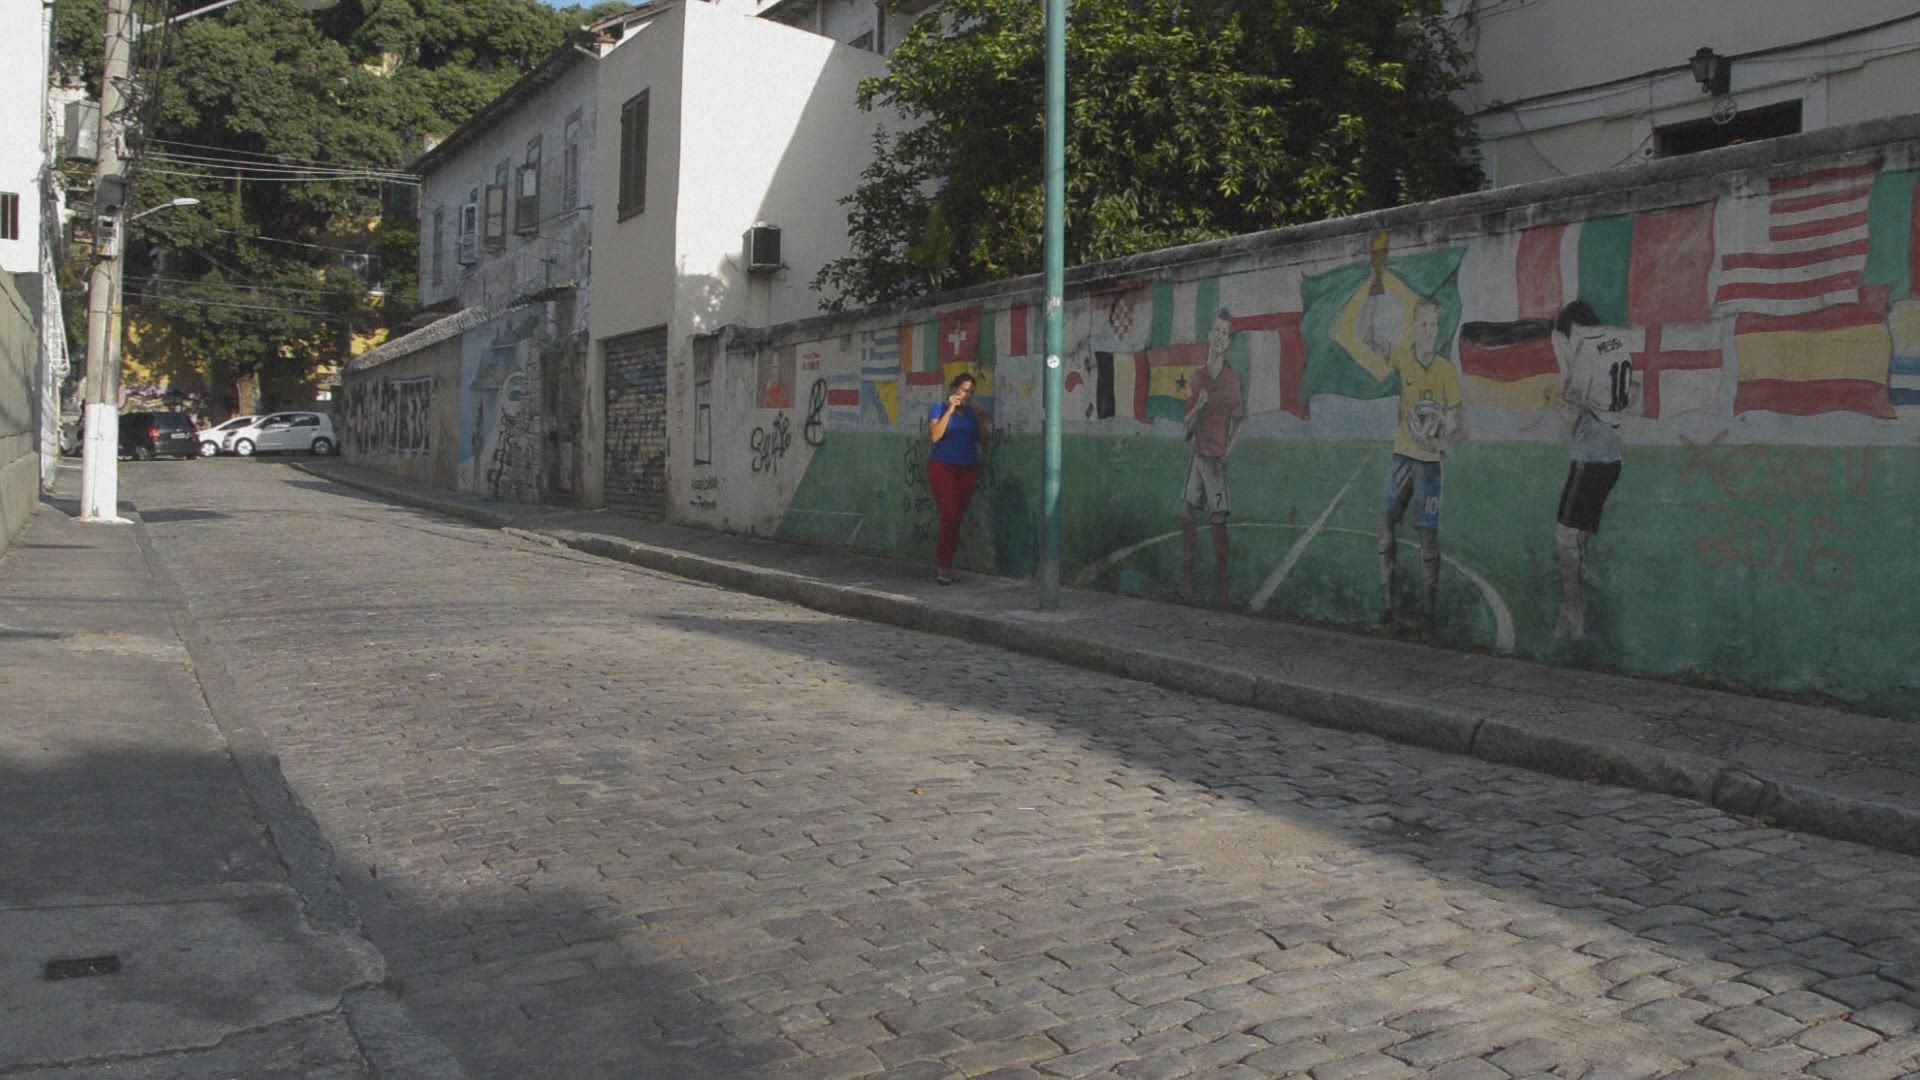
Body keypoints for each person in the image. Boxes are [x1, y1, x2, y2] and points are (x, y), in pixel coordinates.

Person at [1550, 300, 1636, 641]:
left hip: (1590, 456)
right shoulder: (1618, 343)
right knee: (1580, 535)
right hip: (1612, 455)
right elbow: (1628, 393)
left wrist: (1563, 366)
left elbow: (1570, 413)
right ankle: (1578, 602)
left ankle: (1573, 613)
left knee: (1564, 537)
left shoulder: (1584, 352)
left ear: (1573, 329)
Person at [1182, 308, 1244, 605]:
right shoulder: (1197, 378)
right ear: (1209, 335)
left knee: (1218, 520)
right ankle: (1187, 581)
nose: (1219, 336)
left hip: (1216, 460)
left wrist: (1228, 452)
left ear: (1227, 341)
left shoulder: (1231, 380)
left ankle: (1223, 588)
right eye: (1216, 330)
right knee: (1187, 514)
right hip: (1199, 456)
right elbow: (1186, 428)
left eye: (1224, 333)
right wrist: (1199, 406)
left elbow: (1240, 421)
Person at [926, 372, 986, 585]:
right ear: (953, 389)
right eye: (964, 390)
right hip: (943, 466)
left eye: (971, 392)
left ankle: (949, 565)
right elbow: (935, 436)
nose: (967, 395)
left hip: (967, 467)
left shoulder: (971, 413)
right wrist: (950, 409)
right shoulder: (939, 408)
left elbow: (983, 440)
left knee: (957, 517)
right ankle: (943, 566)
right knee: (949, 514)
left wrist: (980, 419)